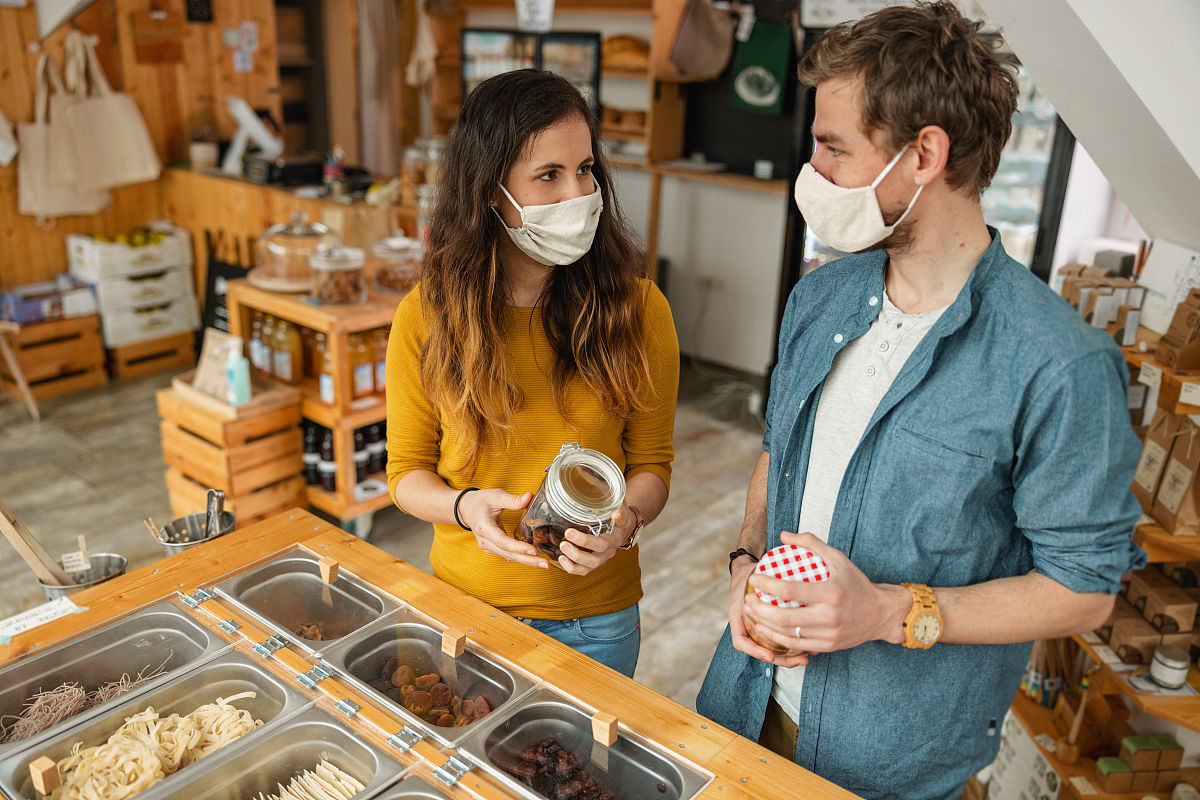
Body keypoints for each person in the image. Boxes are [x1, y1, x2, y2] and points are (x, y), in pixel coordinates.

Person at [697, 4, 1144, 798]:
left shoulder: (1060, 365)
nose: (814, 171)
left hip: (894, 765)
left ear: (924, 154)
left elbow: (1083, 592)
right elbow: (780, 451)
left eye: (833, 148)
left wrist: (886, 612)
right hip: (741, 705)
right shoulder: (820, 298)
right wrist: (743, 566)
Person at [385, 69, 679, 679]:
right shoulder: (427, 317)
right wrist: (466, 508)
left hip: (595, 622)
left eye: (585, 170)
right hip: (465, 608)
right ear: (490, 190)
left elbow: (652, 465)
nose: (577, 193)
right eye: (548, 175)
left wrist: (623, 524)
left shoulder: (639, 309)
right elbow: (405, 473)